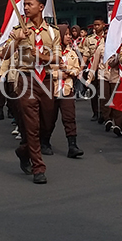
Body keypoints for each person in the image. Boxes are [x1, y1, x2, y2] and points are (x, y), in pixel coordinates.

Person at [1, 0, 58, 184]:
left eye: (29, 4)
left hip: (47, 79)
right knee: (31, 126)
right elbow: (4, 55)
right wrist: (17, 40)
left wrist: (42, 56)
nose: (25, 8)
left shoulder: (52, 32)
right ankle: (38, 168)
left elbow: (59, 57)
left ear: (41, 7)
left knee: (46, 123)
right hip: (26, 80)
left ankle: (23, 150)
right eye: (24, 4)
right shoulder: (18, 30)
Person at [42, 26, 83, 159]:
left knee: (69, 117)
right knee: (49, 119)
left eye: (70, 34)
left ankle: (72, 146)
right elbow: (43, 71)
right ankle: (45, 142)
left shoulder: (72, 53)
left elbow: (77, 69)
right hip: (52, 90)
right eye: (66, 34)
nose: (69, 37)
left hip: (67, 90)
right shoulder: (50, 53)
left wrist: (69, 71)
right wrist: (57, 74)